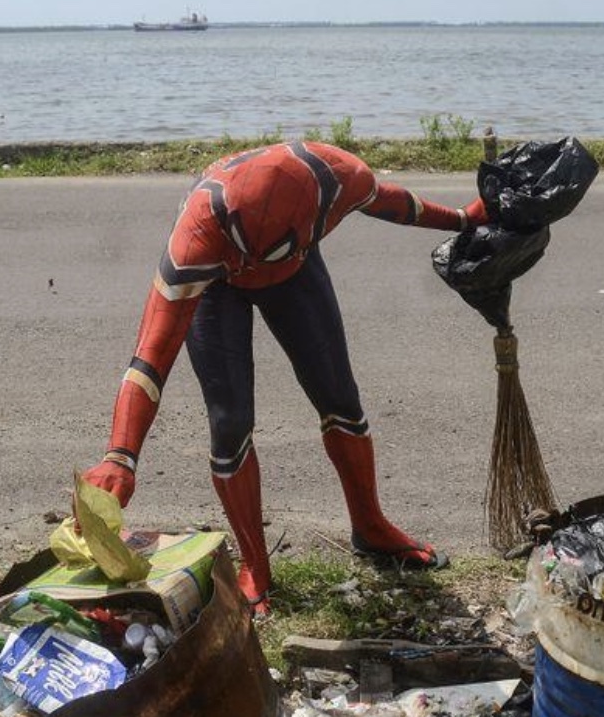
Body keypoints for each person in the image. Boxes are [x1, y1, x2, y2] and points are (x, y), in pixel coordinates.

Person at [82, 140, 489, 615]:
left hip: (296, 271)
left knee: (339, 396)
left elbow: (393, 203)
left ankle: (370, 524)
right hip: (219, 286)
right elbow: (150, 360)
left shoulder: (340, 177)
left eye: (279, 248)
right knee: (230, 422)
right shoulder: (194, 241)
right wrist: (120, 456)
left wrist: (461, 219)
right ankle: (255, 562)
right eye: (257, 253)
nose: (261, 262)